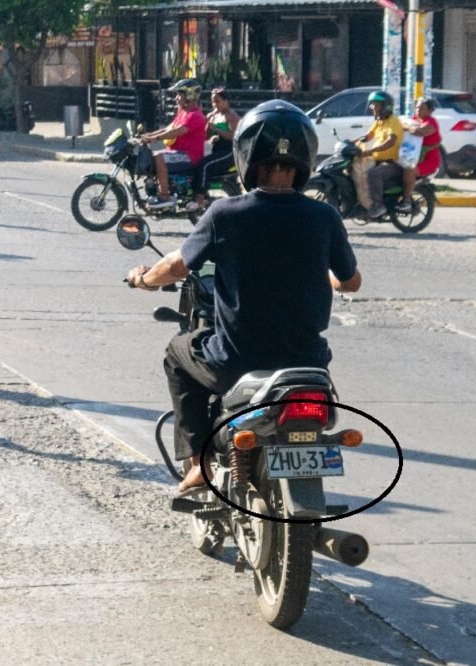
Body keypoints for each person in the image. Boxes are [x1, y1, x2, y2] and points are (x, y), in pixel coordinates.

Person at [125, 100, 362, 494]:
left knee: (176, 353)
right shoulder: (324, 217)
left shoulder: (225, 214)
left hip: (237, 362)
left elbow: (176, 266)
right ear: (305, 155)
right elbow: (351, 282)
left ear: (246, 155)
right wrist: (326, 275)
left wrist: (143, 280)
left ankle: (199, 460)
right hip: (309, 365)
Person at [140, 78, 207, 209]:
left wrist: (156, 138)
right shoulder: (183, 113)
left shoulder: (195, 115)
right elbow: (168, 129)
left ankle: (165, 196)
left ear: (189, 95)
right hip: (176, 152)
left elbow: (177, 132)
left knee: (159, 156)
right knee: (151, 153)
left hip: (189, 156)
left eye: (179, 95)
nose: (176, 98)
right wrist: (147, 136)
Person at [356, 89, 404, 219]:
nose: (372, 107)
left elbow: (390, 141)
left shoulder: (393, 121)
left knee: (373, 173)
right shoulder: (379, 121)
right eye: (372, 104)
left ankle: (379, 205)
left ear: (386, 106)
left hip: (392, 163)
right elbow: (368, 136)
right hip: (378, 160)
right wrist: (351, 143)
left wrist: (370, 151)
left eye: (376, 104)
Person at [192, 87, 240, 210]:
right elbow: (206, 136)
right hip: (217, 150)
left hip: (229, 152)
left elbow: (233, 136)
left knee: (205, 165)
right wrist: (208, 127)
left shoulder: (232, 116)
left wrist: (217, 129)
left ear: (226, 101)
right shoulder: (213, 116)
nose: (214, 105)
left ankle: (200, 198)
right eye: (213, 102)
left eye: (217, 101)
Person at [399, 96, 441, 211]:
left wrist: (406, 126)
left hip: (427, 161)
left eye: (421, 108)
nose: (418, 111)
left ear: (429, 110)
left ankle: (406, 201)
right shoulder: (414, 119)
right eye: (417, 108)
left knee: (410, 170)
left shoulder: (431, 122)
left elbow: (418, 132)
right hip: (412, 156)